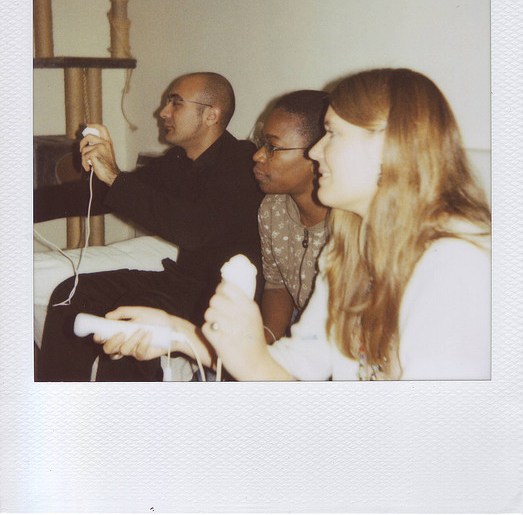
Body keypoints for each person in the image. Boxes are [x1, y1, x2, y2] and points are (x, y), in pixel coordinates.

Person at [98, 68, 490, 382]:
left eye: (332, 134)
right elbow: (292, 366)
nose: (316, 151)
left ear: (388, 148)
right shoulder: (348, 250)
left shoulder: (455, 264)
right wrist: (180, 335)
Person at [36, 72, 263, 381]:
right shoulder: (178, 161)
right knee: (72, 294)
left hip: (221, 297)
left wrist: (114, 176)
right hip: (182, 282)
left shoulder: (243, 162)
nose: (163, 112)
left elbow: (193, 230)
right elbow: (109, 194)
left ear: (211, 114)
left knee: (134, 317)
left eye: (176, 103)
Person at [252, 90, 329, 343]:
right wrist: (264, 345)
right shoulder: (272, 208)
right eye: (261, 143)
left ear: (317, 156)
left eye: (272, 147)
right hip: (297, 330)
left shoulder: (350, 221)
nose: (258, 155)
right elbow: (277, 285)